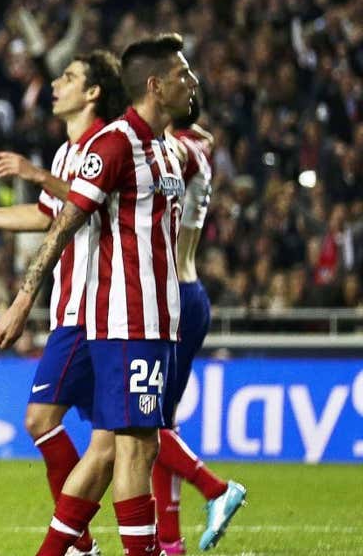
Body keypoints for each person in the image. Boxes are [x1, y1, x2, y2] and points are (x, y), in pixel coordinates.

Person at [0, 33, 196, 556]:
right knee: (132, 450)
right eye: (182, 74)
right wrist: (23, 299)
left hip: (156, 322)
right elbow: (61, 225)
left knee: (112, 449)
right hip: (127, 320)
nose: (191, 82)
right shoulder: (115, 145)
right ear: (154, 85)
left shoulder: (167, 149)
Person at [0, 50, 127, 556]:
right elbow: (46, 216)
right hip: (73, 308)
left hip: (95, 308)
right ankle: (113, 540)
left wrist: (38, 175)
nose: (56, 85)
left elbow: (91, 203)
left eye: (68, 77)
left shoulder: (109, 144)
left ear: (93, 93)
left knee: (54, 422)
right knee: (121, 435)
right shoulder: (65, 154)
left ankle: (81, 545)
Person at [155, 94, 246, 554]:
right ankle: (170, 543)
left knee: (141, 423)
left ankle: (214, 488)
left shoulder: (179, 150)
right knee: (157, 424)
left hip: (171, 298)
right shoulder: (195, 146)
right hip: (185, 293)